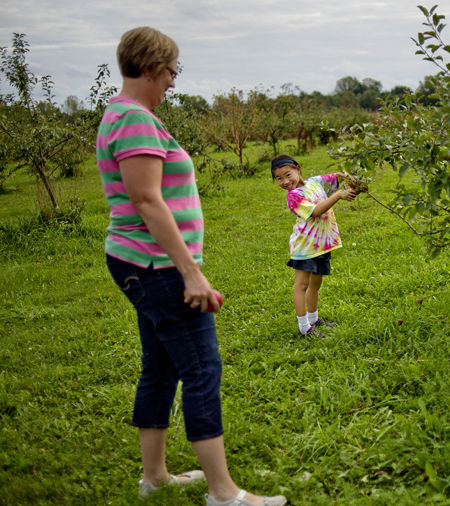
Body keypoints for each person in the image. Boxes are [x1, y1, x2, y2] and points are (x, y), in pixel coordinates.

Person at [96, 26, 286, 506]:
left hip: (140, 261)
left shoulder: (125, 115)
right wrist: (191, 272)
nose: (173, 83)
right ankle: (224, 494)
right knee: (202, 370)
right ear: (151, 66)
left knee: (159, 367)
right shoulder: (134, 119)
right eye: (171, 71)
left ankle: (154, 478)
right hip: (157, 266)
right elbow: (146, 199)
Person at [271, 155, 358, 337]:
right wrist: (338, 195)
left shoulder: (315, 182)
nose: (285, 181)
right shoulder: (294, 197)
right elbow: (316, 212)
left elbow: (337, 177)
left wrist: (352, 178)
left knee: (315, 284)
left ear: (298, 169)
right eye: (279, 179)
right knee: (301, 285)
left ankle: (313, 318)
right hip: (305, 248)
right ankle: (304, 328)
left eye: (288, 175)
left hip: (321, 245)